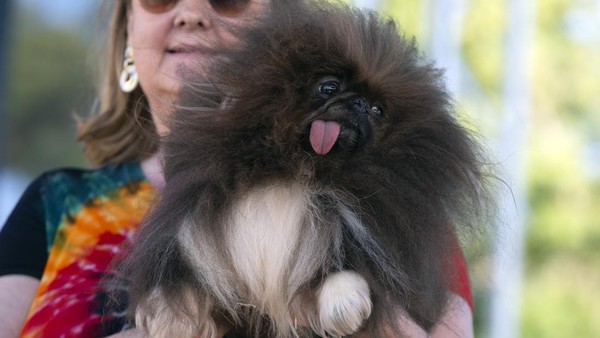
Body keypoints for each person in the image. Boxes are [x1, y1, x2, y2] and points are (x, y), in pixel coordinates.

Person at [0, 0, 475, 337]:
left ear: (284, 26)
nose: (190, 11)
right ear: (127, 31)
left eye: (228, 0)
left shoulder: (406, 224)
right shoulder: (54, 203)